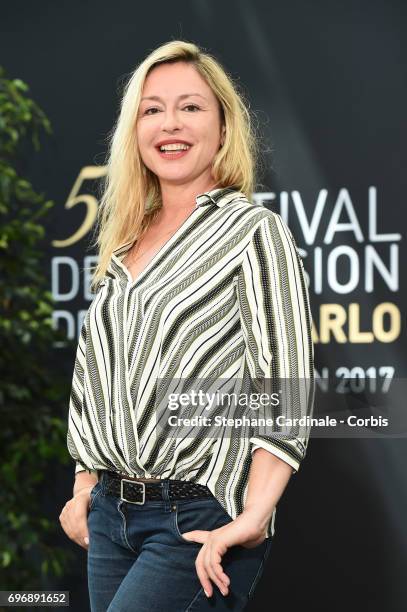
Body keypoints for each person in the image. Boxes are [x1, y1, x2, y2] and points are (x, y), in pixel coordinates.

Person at [59, 40, 314, 611]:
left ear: (223, 126)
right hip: (109, 521)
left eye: (190, 107)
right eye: (152, 109)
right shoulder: (121, 245)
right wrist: (83, 489)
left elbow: (285, 387)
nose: (169, 124)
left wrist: (252, 517)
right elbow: (96, 380)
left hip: (196, 523)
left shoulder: (253, 231)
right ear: (134, 130)